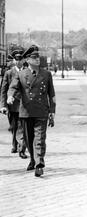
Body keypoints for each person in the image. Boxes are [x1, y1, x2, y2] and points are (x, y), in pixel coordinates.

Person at [7, 46, 56, 177]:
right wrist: (10, 96)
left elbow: (52, 95)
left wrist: (52, 111)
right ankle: (33, 159)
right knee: (29, 140)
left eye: (38, 57)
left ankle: (39, 164)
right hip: (26, 112)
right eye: (34, 57)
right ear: (27, 60)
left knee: (39, 139)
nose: (37, 59)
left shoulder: (46, 74)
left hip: (41, 111)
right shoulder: (21, 74)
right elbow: (13, 87)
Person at [0, 48, 28, 159]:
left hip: (24, 105)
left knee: (22, 127)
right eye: (16, 59)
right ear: (13, 61)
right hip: (12, 105)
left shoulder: (27, 71)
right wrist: (3, 105)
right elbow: (3, 90)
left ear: (23, 60)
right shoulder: (9, 73)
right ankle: (15, 145)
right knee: (13, 126)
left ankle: (22, 149)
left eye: (20, 59)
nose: (18, 61)